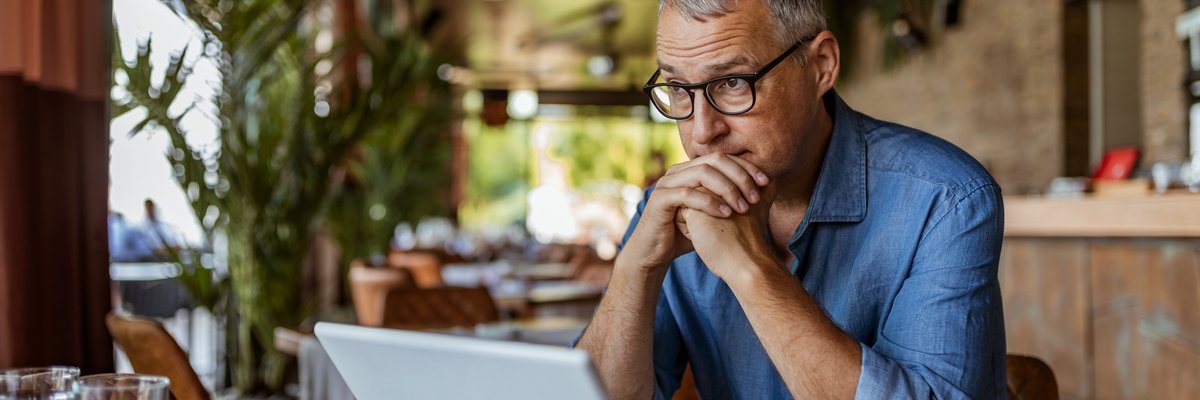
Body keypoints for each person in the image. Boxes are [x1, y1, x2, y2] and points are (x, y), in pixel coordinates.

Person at [573, 0, 1006, 399]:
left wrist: (749, 268)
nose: (702, 132)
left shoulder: (946, 199)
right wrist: (635, 267)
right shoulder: (669, 207)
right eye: (679, 89)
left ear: (821, 65)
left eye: (732, 83)